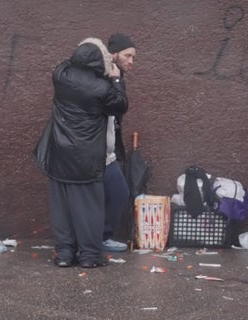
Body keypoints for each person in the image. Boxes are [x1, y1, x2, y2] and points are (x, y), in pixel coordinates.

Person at [34, 37, 128, 268]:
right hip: (87, 159)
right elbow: (120, 104)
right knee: (90, 210)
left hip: (59, 155)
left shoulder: (61, 76)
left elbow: (66, 62)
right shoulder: (103, 89)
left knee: (61, 210)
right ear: (100, 62)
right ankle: (89, 256)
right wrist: (116, 78)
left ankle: (65, 254)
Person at [100, 33, 136, 252]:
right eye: (128, 55)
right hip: (96, 151)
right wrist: (114, 80)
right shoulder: (105, 78)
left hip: (109, 151)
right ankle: (95, 238)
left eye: (133, 57)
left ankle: (102, 236)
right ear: (113, 55)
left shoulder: (117, 77)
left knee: (119, 192)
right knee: (103, 195)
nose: (131, 61)